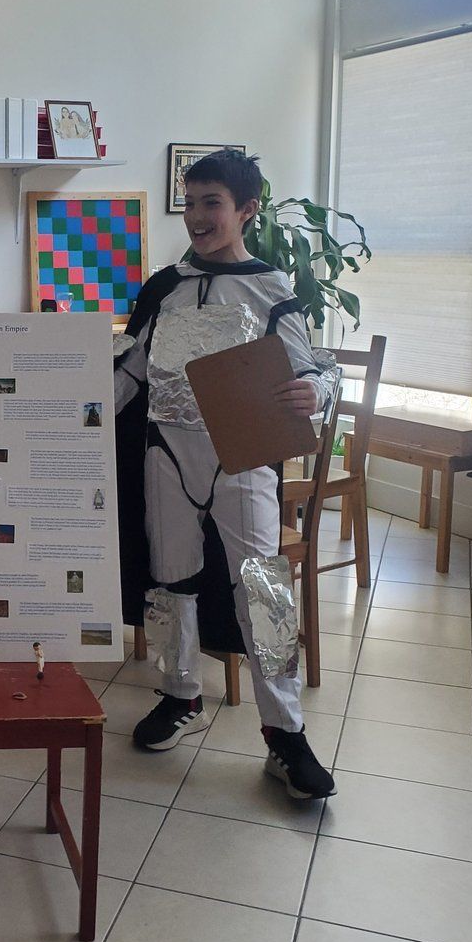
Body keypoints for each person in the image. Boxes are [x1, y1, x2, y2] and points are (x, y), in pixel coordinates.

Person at [115, 149, 336, 801]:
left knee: (264, 590)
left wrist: (315, 391)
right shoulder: (165, 287)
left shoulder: (271, 288)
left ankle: (286, 733)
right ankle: (179, 691)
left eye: (212, 202)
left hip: (242, 460)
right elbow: (130, 369)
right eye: (190, 201)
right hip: (168, 455)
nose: (197, 215)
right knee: (171, 581)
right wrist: (70, 408)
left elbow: (317, 365)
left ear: (245, 210)